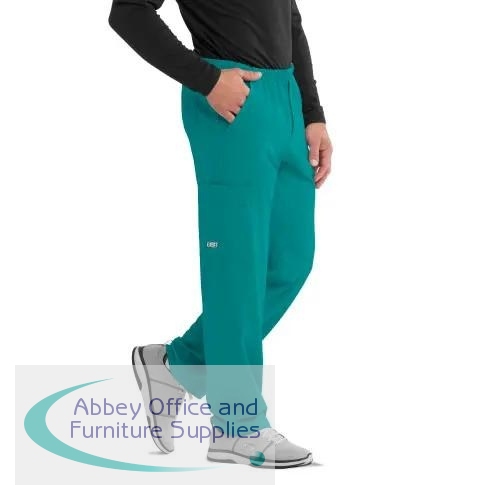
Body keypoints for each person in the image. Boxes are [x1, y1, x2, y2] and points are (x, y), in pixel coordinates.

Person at [109, 0, 333, 468]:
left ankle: (177, 365)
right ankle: (236, 426)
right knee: (237, 269)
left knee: (290, 260)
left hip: (285, 97)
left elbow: (288, 15)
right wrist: (207, 80)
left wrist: (312, 111)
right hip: (231, 98)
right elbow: (128, 12)